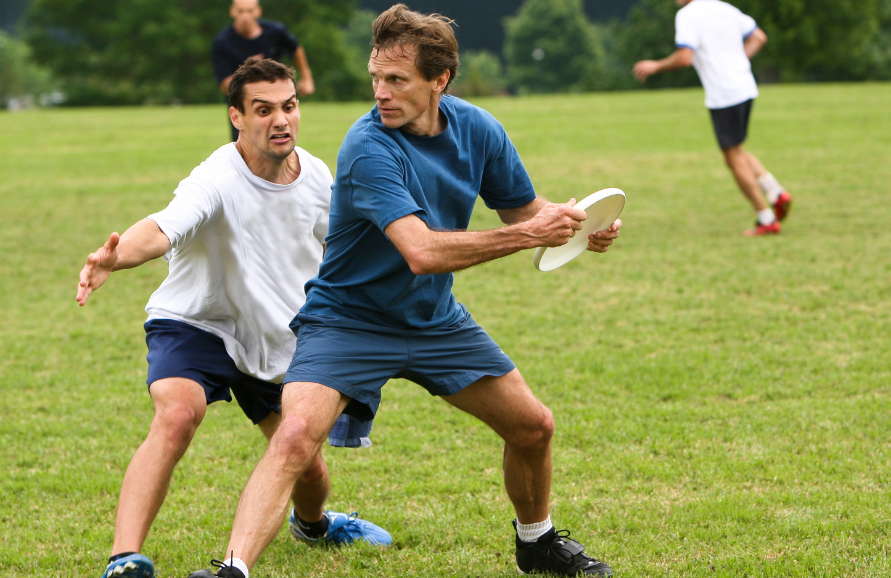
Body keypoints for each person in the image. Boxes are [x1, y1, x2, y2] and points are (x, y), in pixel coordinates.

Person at [188, 5, 619, 578]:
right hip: (347, 322)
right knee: (294, 436)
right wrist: (525, 236)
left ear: (439, 81)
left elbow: (522, 208)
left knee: (533, 426)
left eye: (396, 80)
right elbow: (421, 251)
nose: (380, 93)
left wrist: (574, 220)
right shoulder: (368, 146)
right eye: (375, 78)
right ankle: (233, 570)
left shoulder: (478, 129)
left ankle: (536, 542)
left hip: (434, 320)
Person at [77, 57, 389, 578]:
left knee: (306, 464)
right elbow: (163, 227)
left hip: (273, 334)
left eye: (289, 106)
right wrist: (117, 255)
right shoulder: (216, 176)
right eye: (263, 110)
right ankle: (124, 559)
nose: (281, 120)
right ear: (237, 117)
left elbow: (346, 247)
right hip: (198, 320)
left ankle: (313, 524)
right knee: (176, 417)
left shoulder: (315, 176)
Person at [632, 0, 792, 237]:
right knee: (737, 149)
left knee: (732, 157)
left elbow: (685, 58)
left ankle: (766, 217)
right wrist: (738, 62)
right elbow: (759, 36)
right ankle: (775, 193)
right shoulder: (723, 7)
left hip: (724, 94)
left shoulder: (687, 15)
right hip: (745, 87)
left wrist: (656, 66)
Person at [213, 0, 315, 142]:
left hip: (278, 99)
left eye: (249, 11)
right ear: (232, 11)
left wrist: (306, 77)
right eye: (240, 11)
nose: (245, 16)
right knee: (246, 149)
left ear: (258, 11)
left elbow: (295, 49)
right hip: (245, 105)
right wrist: (251, 74)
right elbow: (224, 84)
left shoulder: (275, 32)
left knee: (282, 141)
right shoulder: (223, 42)